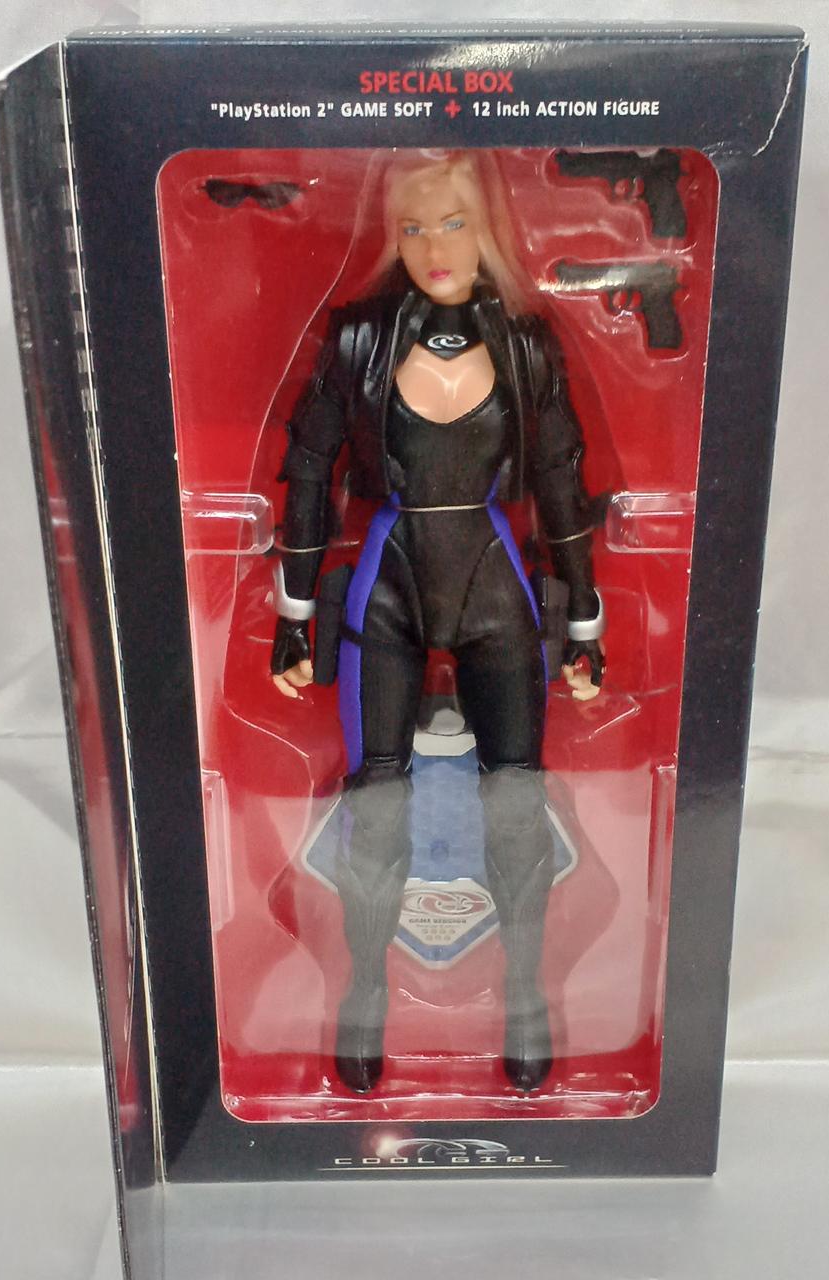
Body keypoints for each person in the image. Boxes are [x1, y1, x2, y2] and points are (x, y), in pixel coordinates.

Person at [270, 151, 605, 1093]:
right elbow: (309, 473)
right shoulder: (357, 339)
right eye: (412, 228)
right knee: (376, 800)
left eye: (452, 222)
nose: (433, 247)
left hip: (494, 575)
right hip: (387, 576)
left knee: (516, 798)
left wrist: (583, 617)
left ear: (485, 227)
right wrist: (294, 614)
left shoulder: (526, 344)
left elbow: (560, 481)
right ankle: (365, 991)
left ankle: (525, 996)